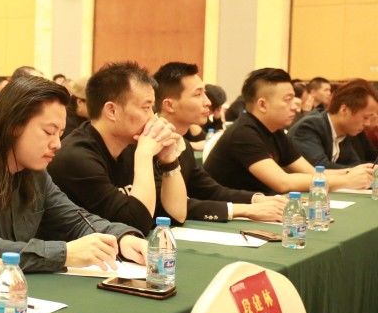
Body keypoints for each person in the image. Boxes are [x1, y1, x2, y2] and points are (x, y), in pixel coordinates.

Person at [0, 75, 148, 272]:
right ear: (13, 126)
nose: (57, 144)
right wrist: (65, 254)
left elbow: (77, 219)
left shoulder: (35, 173)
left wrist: (122, 238)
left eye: (60, 134)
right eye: (49, 132)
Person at [48, 61, 187, 233]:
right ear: (112, 111)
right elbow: (137, 224)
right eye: (146, 107)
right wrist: (144, 155)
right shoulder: (76, 158)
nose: (153, 118)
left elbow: (176, 214)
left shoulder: (131, 145)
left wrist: (169, 160)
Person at [153, 62, 286, 223]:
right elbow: (165, 207)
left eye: (205, 93)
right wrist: (246, 210)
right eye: (198, 94)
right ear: (169, 105)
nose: (208, 102)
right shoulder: (148, 145)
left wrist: (258, 199)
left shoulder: (183, 145)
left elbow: (211, 191)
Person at [204, 68, 373, 193]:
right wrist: (346, 180)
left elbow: (312, 172)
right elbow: (283, 183)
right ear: (262, 104)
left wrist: (352, 172)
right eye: (288, 99)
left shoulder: (275, 131)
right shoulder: (243, 133)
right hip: (225, 214)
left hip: (260, 207)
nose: (295, 106)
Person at [288, 79, 378, 169]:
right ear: (344, 110)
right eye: (365, 117)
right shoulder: (309, 126)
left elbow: (354, 164)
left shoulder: (343, 131)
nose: (367, 123)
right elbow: (320, 167)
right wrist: (362, 171)